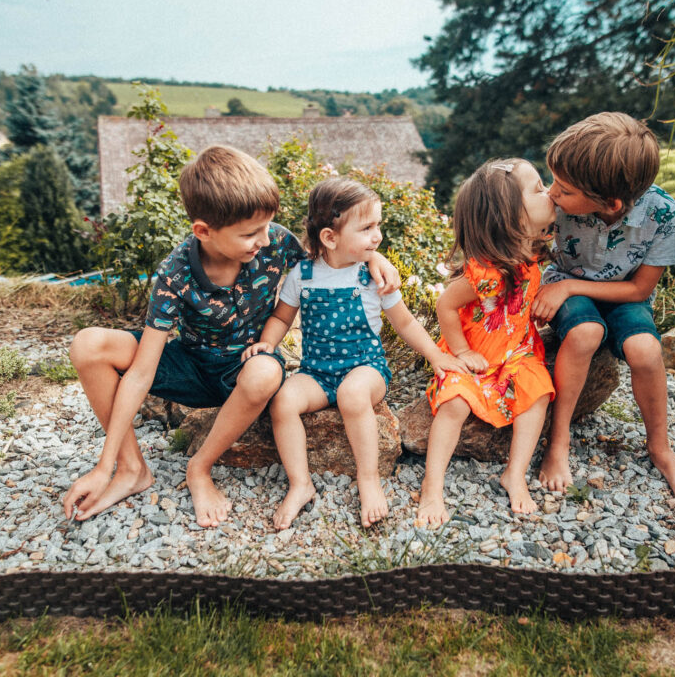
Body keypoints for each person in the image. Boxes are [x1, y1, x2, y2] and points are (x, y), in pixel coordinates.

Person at [62, 147, 399, 527]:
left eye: (267, 227)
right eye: (250, 233)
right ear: (204, 231)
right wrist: (101, 467)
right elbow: (142, 372)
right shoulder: (174, 274)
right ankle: (129, 468)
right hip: (191, 365)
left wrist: (373, 258)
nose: (265, 240)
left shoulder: (276, 244)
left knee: (266, 373)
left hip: (245, 370)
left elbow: (331, 258)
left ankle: (200, 468)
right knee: (88, 344)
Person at [245, 178, 467, 530]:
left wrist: (435, 356)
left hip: (367, 369)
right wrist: (268, 344)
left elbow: (406, 323)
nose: (376, 236)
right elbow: (282, 317)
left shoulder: (372, 276)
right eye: (366, 228)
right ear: (330, 238)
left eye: (377, 225)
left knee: (352, 393)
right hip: (316, 372)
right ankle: (300, 483)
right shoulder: (301, 276)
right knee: (283, 400)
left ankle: (368, 478)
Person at [531, 112, 675, 500]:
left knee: (645, 350)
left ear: (609, 202)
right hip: (566, 287)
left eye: (563, 189)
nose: (552, 194)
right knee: (584, 333)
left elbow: (640, 289)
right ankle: (558, 441)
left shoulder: (663, 214)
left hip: (623, 294)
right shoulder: (557, 201)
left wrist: (573, 286)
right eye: (554, 183)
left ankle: (660, 448)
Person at [417, 159, 557, 526]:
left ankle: (515, 473)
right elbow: (445, 304)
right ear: (509, 217)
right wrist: (461, 351)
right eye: (538, 187)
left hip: (516, 351)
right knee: (455, 403)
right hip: (475, 351)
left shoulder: (534, 253)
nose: (550, 192)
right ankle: (433, 486)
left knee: (538, 392)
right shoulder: (485, 272)